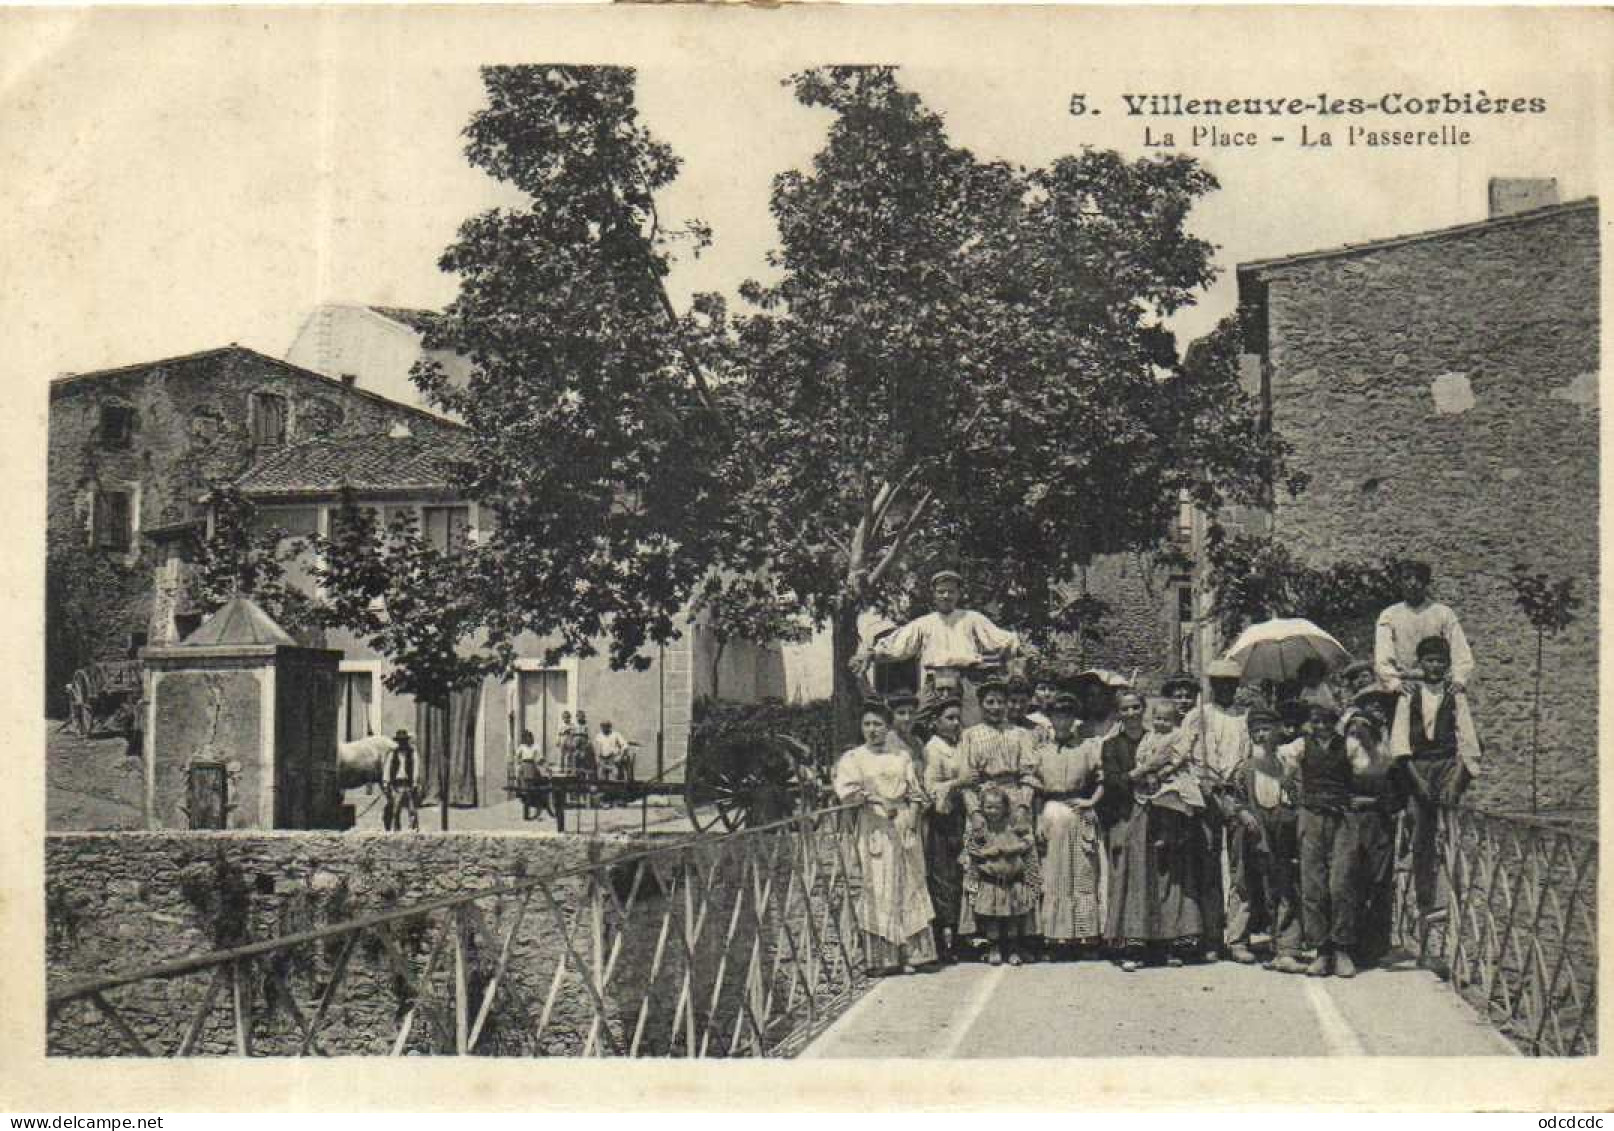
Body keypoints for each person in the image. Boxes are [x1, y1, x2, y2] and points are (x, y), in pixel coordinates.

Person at [1100, 689, 1208, 971]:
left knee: (1167, 874)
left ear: (1143, 710)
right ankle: (1135, 944)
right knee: (1137, 877)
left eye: (1136, 707)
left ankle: (1169, 942)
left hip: (1164, 810)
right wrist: (1139, 775)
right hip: (1133, 812)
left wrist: (1157, 775)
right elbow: (1114, 782)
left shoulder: (1164, 735)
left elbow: (1179, 759)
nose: (1132, 713)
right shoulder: (1112, 745)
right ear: (1119, 713)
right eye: (1125, 709)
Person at [834, 699, 937, 975]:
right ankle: (883, 958)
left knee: (910, 882)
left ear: (887, 727)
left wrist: (912, 818)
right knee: (879, 885)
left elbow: (915, 793)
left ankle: (916, 954)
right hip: (874, 827)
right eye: (867, 724)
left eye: (878, 724)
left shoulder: (900, 757)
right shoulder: (854, 758)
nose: (872, 730)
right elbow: (848, 793)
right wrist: (876, 799)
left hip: (903, 825)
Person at [1389, 635, 1482, 924]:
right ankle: (1425, 900)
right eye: (1429, 660)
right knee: (1421, 835)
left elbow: (1467, 737)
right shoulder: (1409, 695)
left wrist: (1458, 779)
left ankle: (1452, 898)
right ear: (1421, 663)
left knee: (1450, 832)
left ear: (1447, 664)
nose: (1435, 666)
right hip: (1418, 766)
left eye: (1441, 661)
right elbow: (1400, 744)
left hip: (1446, 765)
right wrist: (1418, 783)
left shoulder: (1456, 693)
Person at [852, 570, 1021, 725]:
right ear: (934, 594)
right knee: (915, 722)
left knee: (973, 725)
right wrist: (871, 653)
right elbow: (899, 644)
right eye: (941, 591)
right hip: (934, 681)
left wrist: (1020, 650)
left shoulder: (972, 618)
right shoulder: (924, 623)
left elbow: (1001, 639)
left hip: (967, 680)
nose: (946, 596)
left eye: (951, 591)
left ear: (958, 594)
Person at [1178, 658, 1251, 959]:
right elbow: (1182, 755)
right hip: (1205, 794)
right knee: (1208, 866)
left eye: (1230, 684)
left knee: (1240, 868)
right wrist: (1201, 781)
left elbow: (1250, 754)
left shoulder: (1245, 717)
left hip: (1235, 794)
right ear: (1210, 686)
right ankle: (1210, 937)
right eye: (1219, 684)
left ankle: (1238, 938)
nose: (1225, 689)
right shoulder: (1198, 716)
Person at [1224, 709, 1305, 972]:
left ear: (1277, 731)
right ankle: (1238, 941)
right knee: (1245, 884)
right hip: (1250, 832)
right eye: (1256, 731)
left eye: (1266, 729)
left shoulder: (1287, 764)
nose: (1261, 735)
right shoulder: (1244, 768)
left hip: (1280, 831)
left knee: (1284, 886)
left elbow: (1297, 797)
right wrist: (1243, 812)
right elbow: (1232, 799)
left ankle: (1286, 947)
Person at [1033, 690, 1106, 958]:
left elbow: (1102, 779)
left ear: (1074, 718)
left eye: (1067, 715)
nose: (1061, 720)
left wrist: (1091, 802)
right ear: (1049, 719)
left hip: (1079, 812)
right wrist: (1038, 818)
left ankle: (1086, 937)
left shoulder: (1087, 748)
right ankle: (1056, 938)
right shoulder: (1041, 751)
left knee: (1083, 873)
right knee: (1054, 876)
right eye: (1056, 715)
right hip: (1052, 812)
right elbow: (1036, 789)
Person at [1341, 698, 1407, 968]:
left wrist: (1375, 804)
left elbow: (1397, 797)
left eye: (1363, 731)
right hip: (1350, 824)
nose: (1357, 736)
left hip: (1379, 826)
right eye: (1353, 731)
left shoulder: (1386, 760)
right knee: (1350, 880)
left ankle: (1377, 946)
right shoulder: (1345, 757)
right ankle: (1351, 943)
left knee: (1379, 883)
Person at [1295, 704, 1359, 977]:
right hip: (1311, 816)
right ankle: (1321, 950)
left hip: (1342, 817)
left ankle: (1342, 947)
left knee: (1340, 883)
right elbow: (1275, 764)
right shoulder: (1300, 745)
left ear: (1335, 723)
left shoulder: (1349, 746)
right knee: (1313, 884)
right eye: (1316, 721)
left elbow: (1372, 769)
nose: (1321, 726)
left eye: (1326, 722)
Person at [961, 785, 1041, 966]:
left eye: (997, 807)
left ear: (1006, 807)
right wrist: (985, 853)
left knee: (1013, 917)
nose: (993, 811)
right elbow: (971, 850)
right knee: (992, 919)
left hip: (1012, 881)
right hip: (990, 881)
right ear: (982, 808)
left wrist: (1007, 849)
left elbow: (1028, 841)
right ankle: (994, 947)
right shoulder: (981, 828)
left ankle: (1013, 948)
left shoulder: (1012, 824)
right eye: (988, 807)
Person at [1374, 561, 1475, 694]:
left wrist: (1459, 679)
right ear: (1399, 583)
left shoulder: (1443, 613)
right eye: (1407, 578)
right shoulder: (1389, 615)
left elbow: (1460, 651)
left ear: (1427, 583)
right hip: (1404, 685)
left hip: (1439, 685)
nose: (1413, 583)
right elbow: (1383, 655)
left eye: (1419, 578)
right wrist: (1394, 682)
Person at [921, 695, 968, 962]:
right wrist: (956, 784)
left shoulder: (962, 743)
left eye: (957, 718)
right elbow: (931, 788)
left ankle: (962, 937)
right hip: (942, 818)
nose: (955, 723)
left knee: (962, 875)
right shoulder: (934, 748)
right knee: (942, 878)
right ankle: (941, 940)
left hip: (962, 816)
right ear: (936, 722)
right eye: (949, 718)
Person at [957, 677, 1040, 818]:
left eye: (1001, 702)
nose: (996, 707)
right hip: (983, 802)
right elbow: (966, 781)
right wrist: (974, 813)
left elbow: (1029, 776)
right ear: (981, 705)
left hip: (1015, 801)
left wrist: (1023, 807)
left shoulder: (1021, 734)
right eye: (990, 702)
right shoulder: (969, 735)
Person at [381, 729, 420, 833]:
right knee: (396, 809)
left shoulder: (412, 754)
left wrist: (415, 783)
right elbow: (387, 768)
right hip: (396, 785)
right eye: (400, 741)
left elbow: (416, 768)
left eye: (404, 741)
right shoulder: (392, 754)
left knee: (412, 809)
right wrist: (386, 782)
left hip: (408, 784)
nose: (402, 743)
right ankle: (396, 829)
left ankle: (413, 829)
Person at [515, 728, 549, 821]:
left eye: (529, 737)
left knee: (533, 791)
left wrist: (545, 766)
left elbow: (540, 758)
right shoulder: (522, 747)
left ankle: (537, 812)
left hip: (532, 768)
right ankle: (526, 815)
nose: (528, 740)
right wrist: (518, 768)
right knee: (525, 793)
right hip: (524, 768)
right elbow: (517, 758)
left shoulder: (536, 746)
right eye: (525, 738)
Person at [593, 719, 633, 784]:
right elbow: (596, 749)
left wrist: (620, 757)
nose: (604, 728)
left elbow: (625, 746)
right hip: (602, 760)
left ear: (609, 727)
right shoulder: (598, 736)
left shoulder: (615, 734)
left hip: (613, 759)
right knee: (600, 780)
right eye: (603, 726)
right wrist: (597, 758)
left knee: (614, 780)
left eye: (606, 726)